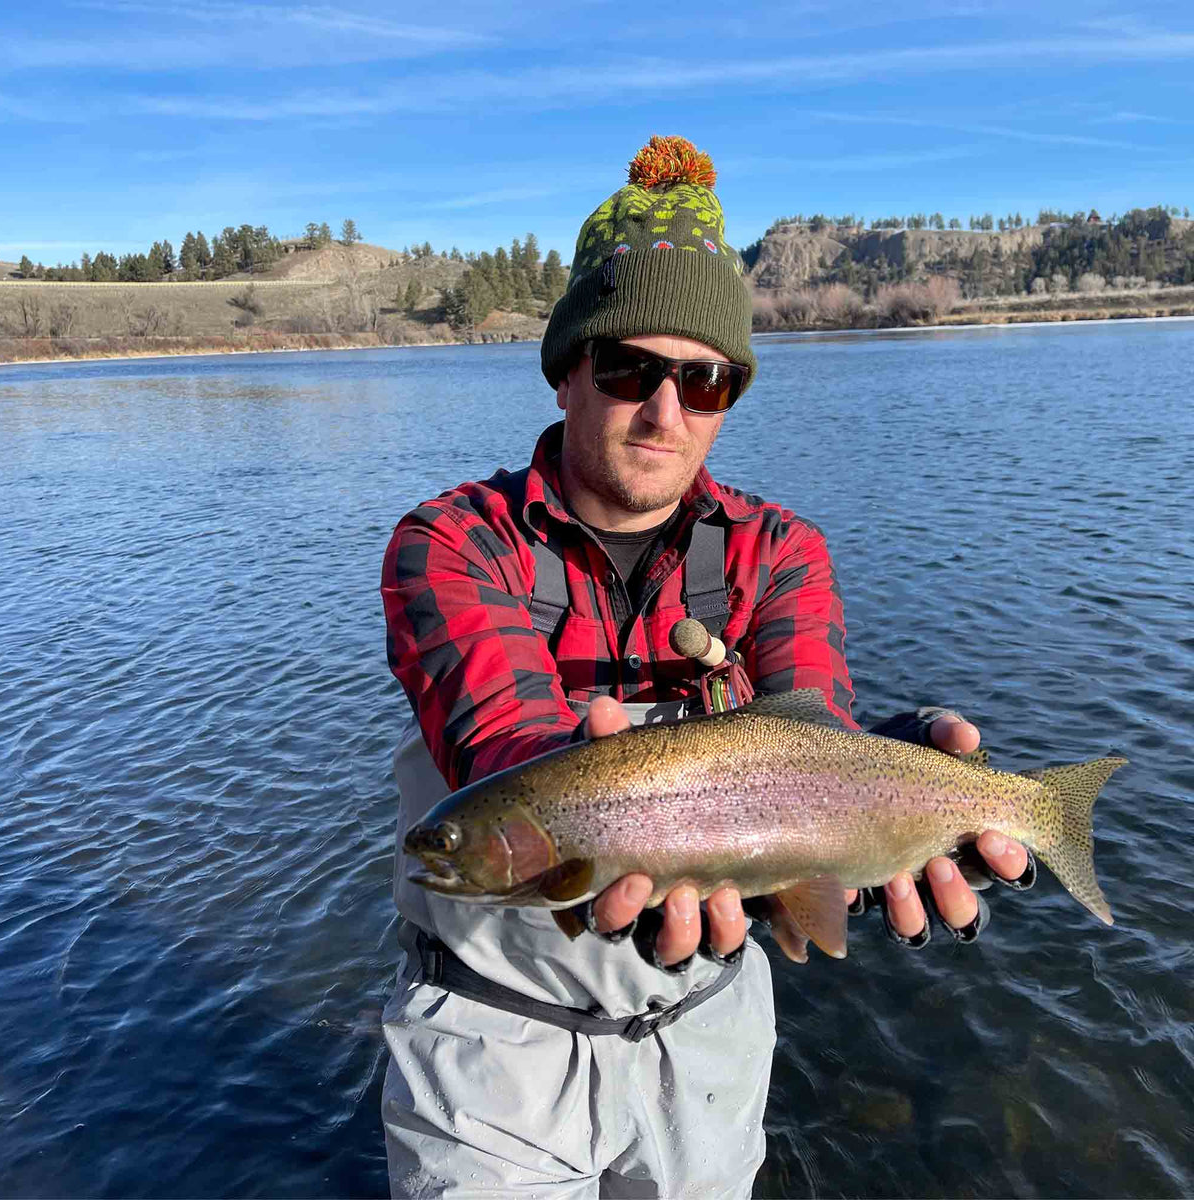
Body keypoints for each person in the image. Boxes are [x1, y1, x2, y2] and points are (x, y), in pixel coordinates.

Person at [379, 135, 1034, 1199]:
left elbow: (816, 742)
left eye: (707, 379)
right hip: (493, 1050)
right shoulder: (453, 542)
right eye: (630, 368)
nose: (667, 411)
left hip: (709, 1041)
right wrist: (601, 792)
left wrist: (902, 801)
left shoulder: (781, 551)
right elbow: (506, 742)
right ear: (567, 370)